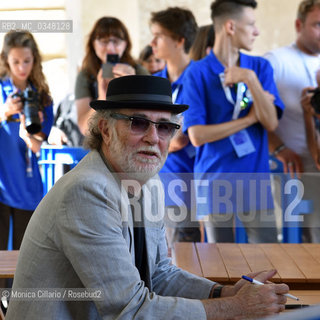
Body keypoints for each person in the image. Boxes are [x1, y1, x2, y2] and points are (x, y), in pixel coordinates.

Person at [6, 75, 289, 319]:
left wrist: (222, 293)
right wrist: (234, 307)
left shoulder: (149, 183)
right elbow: (131, 310)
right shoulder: (86, 191)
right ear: (105, 129)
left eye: (165, 127)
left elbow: (160, 274)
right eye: (138, 123)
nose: (154, 138)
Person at [183, 0, 284, 243]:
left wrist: (250, 79)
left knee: (267, 259)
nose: (256, 31)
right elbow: (197, 136)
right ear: (230, 26)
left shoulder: (259, 68)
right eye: (251, 24)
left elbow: (271, 123)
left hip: (255, 181)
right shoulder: (196, 72)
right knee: (220, 264)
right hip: (214, 181)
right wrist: (250, 118)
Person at [264, 0, 320, 243]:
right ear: (299, 25)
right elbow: (254, 112)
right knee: (303, 240)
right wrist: (278, 147)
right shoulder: (275, 61)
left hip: (316, 160)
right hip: (291, 169)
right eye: (318, 25)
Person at [150, 7, 201, 247]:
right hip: (154, 183)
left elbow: (182, 139)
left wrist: (152, 139)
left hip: (185, 184)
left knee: (183, 260)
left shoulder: (199, 77)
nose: (152, 42)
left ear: (180, 40)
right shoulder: (155, 82)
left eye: (159, 36)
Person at [0, 30, 53, 253]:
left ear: (35, 60)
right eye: (16, 62)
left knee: (24, 259)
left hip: (28, 185)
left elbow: (42, 146)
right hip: (2, 184)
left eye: (27, 61)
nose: (22, 67)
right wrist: (4, 112)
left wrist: (31, 133)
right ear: (6, 61)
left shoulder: (42, 97)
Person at [75, 16, 149, 135]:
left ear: (125, 44)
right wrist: (102, 96)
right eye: (104, 41)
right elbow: (85, 129)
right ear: (93, 44)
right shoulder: (86, 75)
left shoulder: (139, 71)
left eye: (116, 41)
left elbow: (150, 119)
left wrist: (134, 85)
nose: (110, 48)